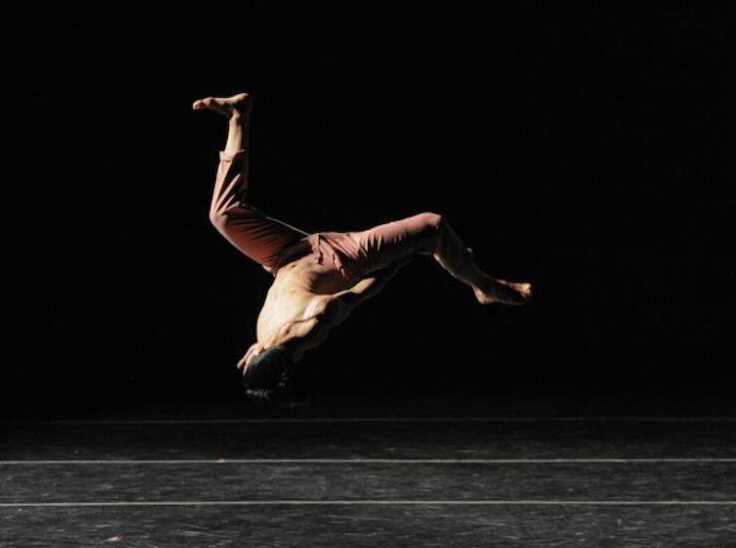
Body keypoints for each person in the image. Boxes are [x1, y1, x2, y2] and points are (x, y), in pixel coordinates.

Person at [193, 93, 532, 401]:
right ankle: (484, 286)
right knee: (433, 226)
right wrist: (395, 263)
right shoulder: (315, 322)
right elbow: (358, 295)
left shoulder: (263, 347)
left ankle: (239, 115)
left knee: (223, 216)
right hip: (343, 257)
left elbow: (266, 354)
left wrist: (259, 350)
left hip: (283, 255)